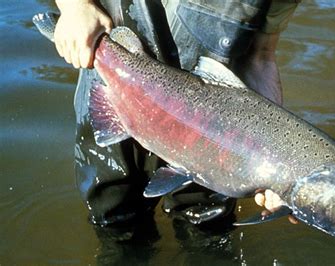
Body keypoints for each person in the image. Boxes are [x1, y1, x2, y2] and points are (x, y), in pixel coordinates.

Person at [54, 0, 299, 234]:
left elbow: (261, 54)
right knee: (115, 210)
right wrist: (76, 7)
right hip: (120, 71)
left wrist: (273, 152)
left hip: (211, 131)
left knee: (206, 224)